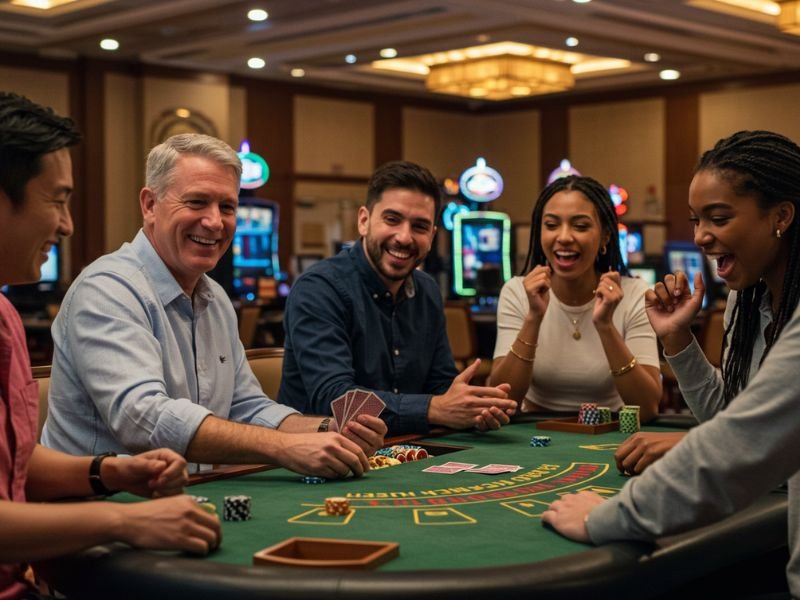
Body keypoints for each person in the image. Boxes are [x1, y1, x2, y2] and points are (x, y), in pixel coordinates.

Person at [542, 130, 800, 597]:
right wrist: (677, 338)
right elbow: (732, 416)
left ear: (781, 216)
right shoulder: (750, 299)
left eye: (718, 218)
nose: (700, 236)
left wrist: (607, 517)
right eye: (696, 219)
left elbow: (742, 447)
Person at [41, 133, 386, 479]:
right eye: (196, 202)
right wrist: (283, 447)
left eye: (227, 207)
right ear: (149, 205)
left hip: (189, 495)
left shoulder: (215, 298)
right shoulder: (108, 288)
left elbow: (245, 407)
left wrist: (327, 430)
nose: (215, 222)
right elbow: (144, 418)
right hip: (99, 510)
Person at [0, 92, 220, 599]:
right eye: (56, 199)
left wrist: (109, 472)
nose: (68, 223)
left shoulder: (6, 314)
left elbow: (15, 464)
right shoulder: (108, 286)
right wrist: (121, 522)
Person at [279, 160, 517, 435]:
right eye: (392, 220)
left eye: (419, 226)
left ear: (432, 236)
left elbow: (440, 385)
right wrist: (434, 409)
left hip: (405, 452)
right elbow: (335, 398)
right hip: (319, 458)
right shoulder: (319, 288)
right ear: (364, 221)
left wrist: (474, 408)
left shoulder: (427, 290)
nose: (404, 237)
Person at [489, 175, 662, 421]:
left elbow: (647, 408)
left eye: (580, 226)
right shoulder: (517, 292)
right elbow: (501, 400)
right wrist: (534, 318)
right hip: (535, 430)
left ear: (605, 237)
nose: (564, 237)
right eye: (551, 225)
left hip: (609, 431)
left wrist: (605, 326)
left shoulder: (634, 294)